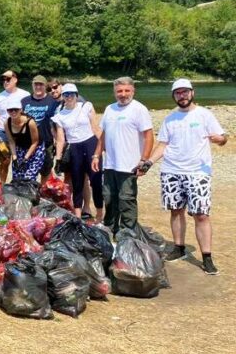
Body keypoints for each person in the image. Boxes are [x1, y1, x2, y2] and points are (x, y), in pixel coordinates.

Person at [141, 79, 228, 275]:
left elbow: (223, 138)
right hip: (171, 171)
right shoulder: (169, 119)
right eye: (178, 93)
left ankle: (207, 257)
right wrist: (148, 163)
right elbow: (162, 145)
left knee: (202, 215)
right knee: (176, 210)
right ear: (174, 96)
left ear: (192, 93)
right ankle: (178, 248)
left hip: (198, 173)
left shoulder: (205, 114)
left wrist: (220, 139)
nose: (182, 96)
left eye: (185, 92)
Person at [92, 76, 154, 235]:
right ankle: (110, 231)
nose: (123, 94)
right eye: (119, 91)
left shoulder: (139, 109)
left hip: (130, 166)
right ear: (114, 92)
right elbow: (103, 135)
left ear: (133, 91)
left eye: (127, 90)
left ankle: (129, 235)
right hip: (110, 164)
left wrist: (143, 161)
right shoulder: (109, 109)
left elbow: (148, 136)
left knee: (126, 201)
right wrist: (96, 156)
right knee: (109, 199)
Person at [52, 83, 103, 221]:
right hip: (74, 148)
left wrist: (104, 148)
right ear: (63, 96)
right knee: (77, 182)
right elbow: (61, 139)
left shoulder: (86, 106)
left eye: (72, 94)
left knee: (96, 180)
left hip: (90, 143)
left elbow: (96, 128)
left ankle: (99, 213)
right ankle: (78, 215)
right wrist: (58, 159)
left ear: (77, 95)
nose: (69, 97)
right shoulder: (60, 115)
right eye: (66, 95)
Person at [0, 70, 30, 182]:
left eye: (8, 79)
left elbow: (29, 114)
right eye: (3, 79)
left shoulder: (25, 95)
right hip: (3, 133)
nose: (5, 81)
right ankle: (3, 185)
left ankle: (19, 183)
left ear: (15, 79)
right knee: (5, 161)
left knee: (21, 160)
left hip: (21, 133)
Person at [22, 75, 59, 185]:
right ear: (32, 85)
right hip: (28, 143)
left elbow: (57, 123)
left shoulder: (52, 101)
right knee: (28, 171)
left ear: (45, 86)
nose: (38, 87)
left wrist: (58, 140)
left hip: (46, 142)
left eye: (41, 84)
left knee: (46, 171)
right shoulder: (24, 101)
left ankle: (43, 193)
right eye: (36, 84)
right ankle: (29, 192)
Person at [4, 98, 43, 181]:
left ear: (20, 110)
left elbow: (35, 142)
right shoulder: (7, 123)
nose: (13, 112)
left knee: (29, 177)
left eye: (16, 110)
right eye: (10, 110)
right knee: (17, 177)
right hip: (20, 148)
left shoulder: (30, 122)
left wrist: (25, 159)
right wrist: (14, 158)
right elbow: (11, 141)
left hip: (35, 149)